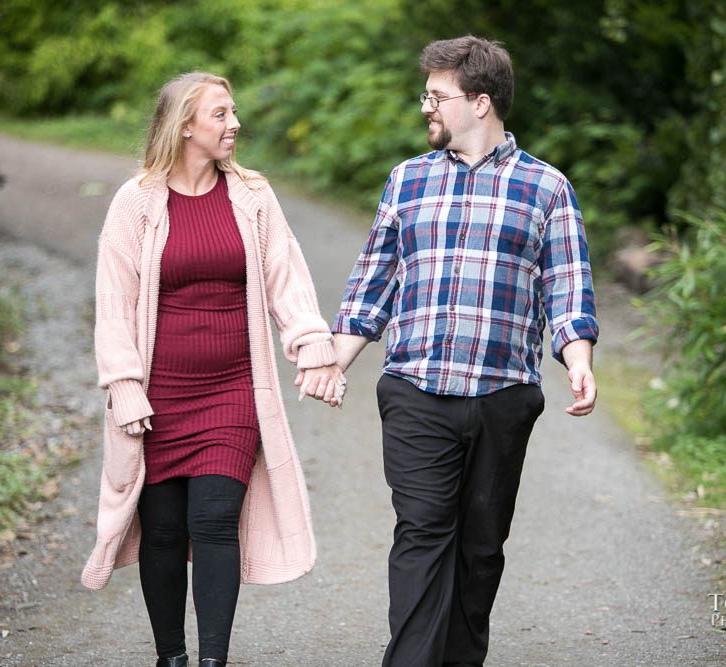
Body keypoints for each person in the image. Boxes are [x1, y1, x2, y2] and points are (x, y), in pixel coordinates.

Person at [326, 36, 600, 666]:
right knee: (422, 537)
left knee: (480, 550)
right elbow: (373, 283)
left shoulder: (546, 188)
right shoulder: (408, 180)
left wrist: (577, 357)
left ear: (480, 102)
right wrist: (334, 362)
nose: (427, 107)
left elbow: (567, 285)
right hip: (417, 390)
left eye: (437, 96)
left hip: (503, 396)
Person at [80, 71, 345, 667]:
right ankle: (171, 656)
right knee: (166, 532)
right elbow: (114, 303)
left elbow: (287, 279)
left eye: (233, 113)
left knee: (216, 519)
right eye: (221, 114)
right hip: (157, 398)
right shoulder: (137, 202)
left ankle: (212, 661)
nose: (235, 124)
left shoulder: (252, 195)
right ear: (185, 126)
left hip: (232, 392)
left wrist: (314, 349)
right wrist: (123, 386)